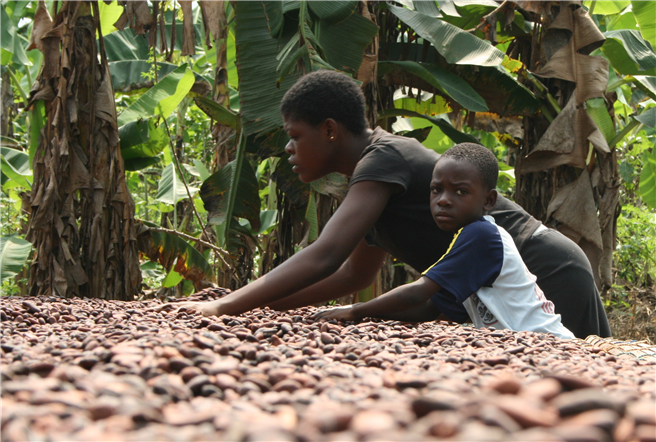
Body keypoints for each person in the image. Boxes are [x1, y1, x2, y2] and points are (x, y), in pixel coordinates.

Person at [159, 70, 609, 338]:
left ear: (331, 130)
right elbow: (355, 273)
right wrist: (262, 306)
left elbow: (326, 255)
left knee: (592, 389)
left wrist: (225, 307)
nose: (290, 151)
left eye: (296, 137)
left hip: (543, 265)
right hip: (498, 289)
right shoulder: (369, 181)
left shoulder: (383, 159)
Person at [313, 143, 575, 340]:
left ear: (488, 201)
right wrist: (371, 316)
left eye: (461, 191)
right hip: (531, 346)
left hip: (550, 343)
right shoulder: (469, 237)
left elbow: (419, 292)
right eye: (436, 190)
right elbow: (428, 309)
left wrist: (356, 310)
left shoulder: (481, 235)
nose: (444, 200)